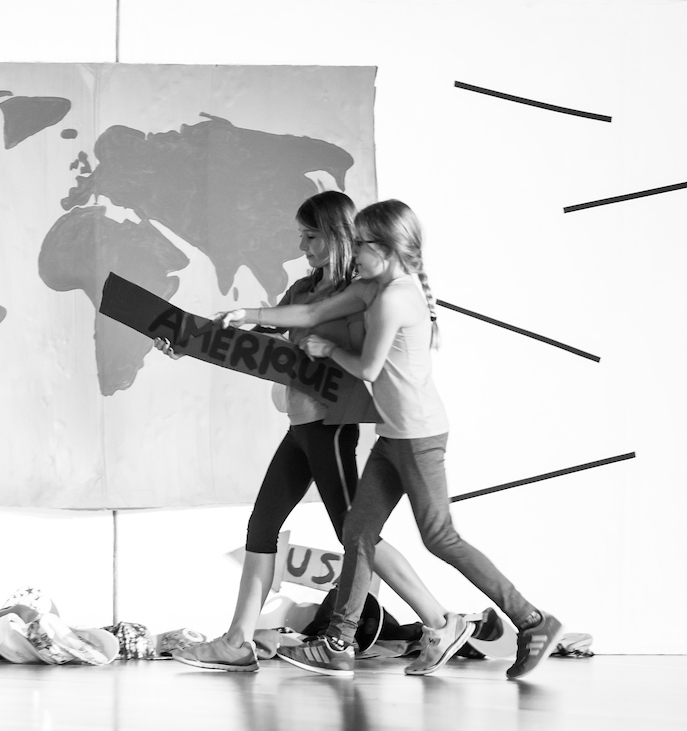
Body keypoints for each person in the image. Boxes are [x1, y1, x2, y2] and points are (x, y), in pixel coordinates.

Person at [219, 199, 561, 679]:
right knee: (357, 533)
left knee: (440, 538)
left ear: (386, 248)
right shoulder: (371, 288)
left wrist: (328, 348)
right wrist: (246, 313)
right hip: (391, 434)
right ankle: (338, 643)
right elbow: (313, 312)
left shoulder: (395, 298)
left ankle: (531, 620)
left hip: (419, 437)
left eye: (360, 243)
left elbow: (368, 368)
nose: (354, 251)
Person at [162, 191, 464, 674]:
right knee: (263, 526)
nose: (302, 246)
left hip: (334, 425)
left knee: (355, 533)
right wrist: (189, 343)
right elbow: (260, 335)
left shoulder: (359, 293)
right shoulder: (304, 288)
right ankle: (238, 641)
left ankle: (440, 619)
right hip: (301, 424)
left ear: (337, 237)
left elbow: (370, 356)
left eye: (310, 236)